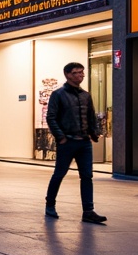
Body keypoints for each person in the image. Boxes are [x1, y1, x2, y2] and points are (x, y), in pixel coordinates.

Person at [44, 62, 106, 224]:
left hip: (84, 143)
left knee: (87, 176)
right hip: (67, 142)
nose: (81, 75)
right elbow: (51, 117)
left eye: (82, 72)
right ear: (68, 75)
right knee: (59, 174)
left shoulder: (86, 95)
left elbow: (91, 116)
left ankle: (88, 211)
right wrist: (61, 138)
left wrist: (94, 133)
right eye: (77, 72)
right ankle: (50, 205)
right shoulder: (58, 94)